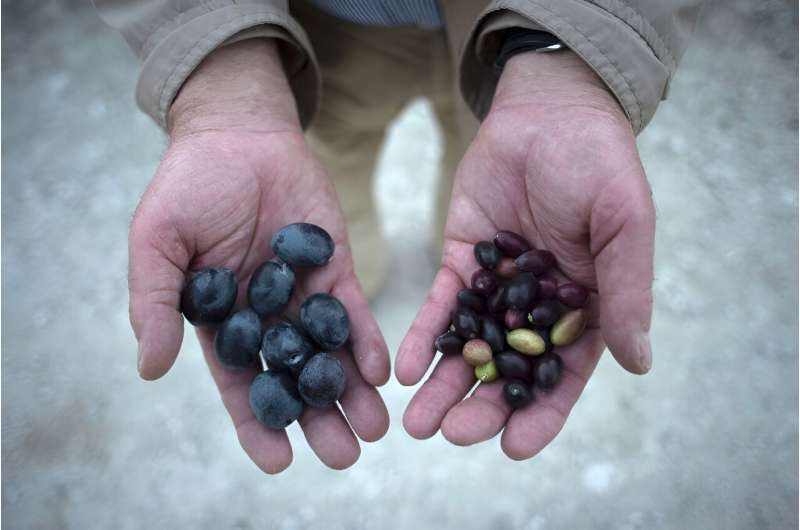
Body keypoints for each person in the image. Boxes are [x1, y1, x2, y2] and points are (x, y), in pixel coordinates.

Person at [96, 0, 701, 472]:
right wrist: (221, 71)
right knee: (329, 176)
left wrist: (575, 49)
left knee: (483, 195)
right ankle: (373, 266)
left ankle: (438, 244)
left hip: (524, 33)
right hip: (322, 30)